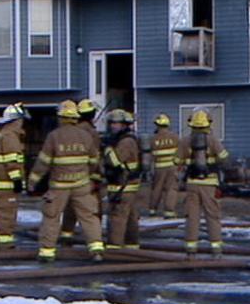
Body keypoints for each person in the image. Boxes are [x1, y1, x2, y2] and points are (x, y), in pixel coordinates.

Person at [28, 100, 104, 262]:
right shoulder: (86, 136)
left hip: (59, 186)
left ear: (61, 118)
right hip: (81, 184)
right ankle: (96, 248)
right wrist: (87, 176)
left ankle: (47, 251)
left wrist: (32, 181)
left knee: (52, 217)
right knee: (89, 216)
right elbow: (94, 161)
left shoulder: (54, 136)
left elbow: (43, 162)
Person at [177, 110, 229, 259]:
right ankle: (216, 249)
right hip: (209, 183)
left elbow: (176, 161)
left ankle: (191, 250)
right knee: (212, 216)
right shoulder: (213, 140)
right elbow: (224, 158)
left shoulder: (184, 141)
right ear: (208, 124)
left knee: (192, 217)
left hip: (192, 183)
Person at [59, 99, 103, 244]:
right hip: (87, 176)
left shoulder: (73, 130)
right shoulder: (91, 132)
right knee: (91, 209)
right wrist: (97, 177)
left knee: (71, 205)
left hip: (69, 174)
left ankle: (67, 234)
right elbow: (94, 157)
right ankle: (95, 239)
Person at [0, 103, 29, 249]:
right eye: (21, 120)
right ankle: (4, 244)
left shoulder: (2, 135)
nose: (22, 123)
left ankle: (0, 239)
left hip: (0, 183)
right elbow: (11, 161)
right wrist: (17, 179)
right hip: (6, 184)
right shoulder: (10, 137)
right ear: (16, 121)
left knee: (1, 213)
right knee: (6, 213)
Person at [103, 109, 141, 249]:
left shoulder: (126, 142)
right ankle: (132, 247)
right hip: (128, 186)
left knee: (117, 218)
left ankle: (114, 248)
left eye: (116, 123)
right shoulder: (126, 140)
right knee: (130, 218)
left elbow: (114, 161)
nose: (112, 126)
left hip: (122, 186)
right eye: (111, 123)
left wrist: (107, 149)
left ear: (125, 125)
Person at [150, 113, 180, 218]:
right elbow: (180, 153)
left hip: (158, 168)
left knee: (156, 188)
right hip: (172, 167)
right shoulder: (175, 137)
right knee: (171, 188)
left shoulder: (153, 139)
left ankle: (153, 210)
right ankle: (169, 211)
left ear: (157, 125)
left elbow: (151, 155)